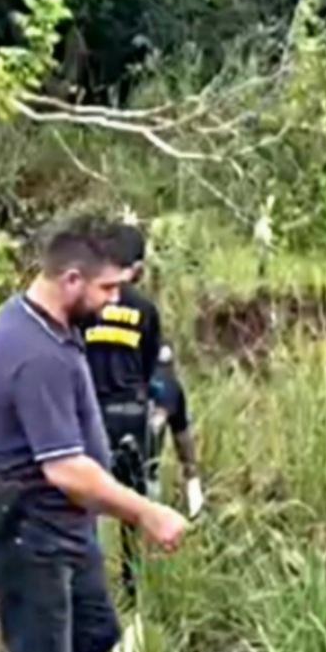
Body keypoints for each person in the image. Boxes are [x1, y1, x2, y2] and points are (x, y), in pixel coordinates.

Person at [0, 217, 188, 652]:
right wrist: (147, 513)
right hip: (29, 535)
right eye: (108, 287)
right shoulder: (36, 354)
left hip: (64, 531)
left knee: (95, 635)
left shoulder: (46, 324)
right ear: (71, 279)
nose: (116, 301)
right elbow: (66, 469)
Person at [78, 221, 203, 597]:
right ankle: (134, 586)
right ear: (137, 266)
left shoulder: (85, 306)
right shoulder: (145, 310)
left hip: (92, 418)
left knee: (90, 506)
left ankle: (92, 587)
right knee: (136, 508)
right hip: (133, 416)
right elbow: (156, 371)